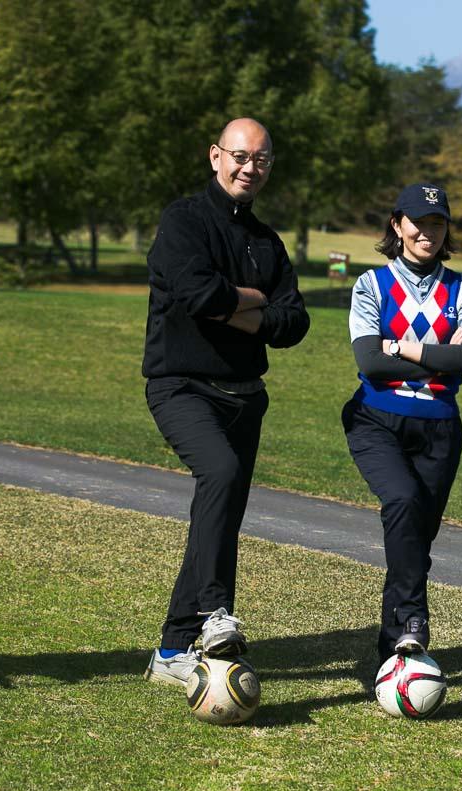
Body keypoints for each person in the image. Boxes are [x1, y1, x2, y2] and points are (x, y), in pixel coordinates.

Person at [141, 118, 310, 687]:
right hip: (182, 386)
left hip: (246, 398)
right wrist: (256, 303)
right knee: (220, 472)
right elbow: (196, 294)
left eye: (260, 160)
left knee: (218, 516)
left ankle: (169, 653)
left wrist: (238, 307)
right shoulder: (183, 221)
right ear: (216, 156)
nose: (248, 168)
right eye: (239, 156)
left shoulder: (267, 241)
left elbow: (295, 322)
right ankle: (215, 615)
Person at [341, 183, 462, 674]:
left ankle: (391, 649)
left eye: (438, 223)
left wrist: (398, 348)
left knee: (416, 541)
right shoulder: (370, 286)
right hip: (376, 419)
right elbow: (368, 363)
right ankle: (414, 621)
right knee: (401, 501)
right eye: (418, 222)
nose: (428, 231)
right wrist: (438, 360)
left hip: (441, 428)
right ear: (397, 224)